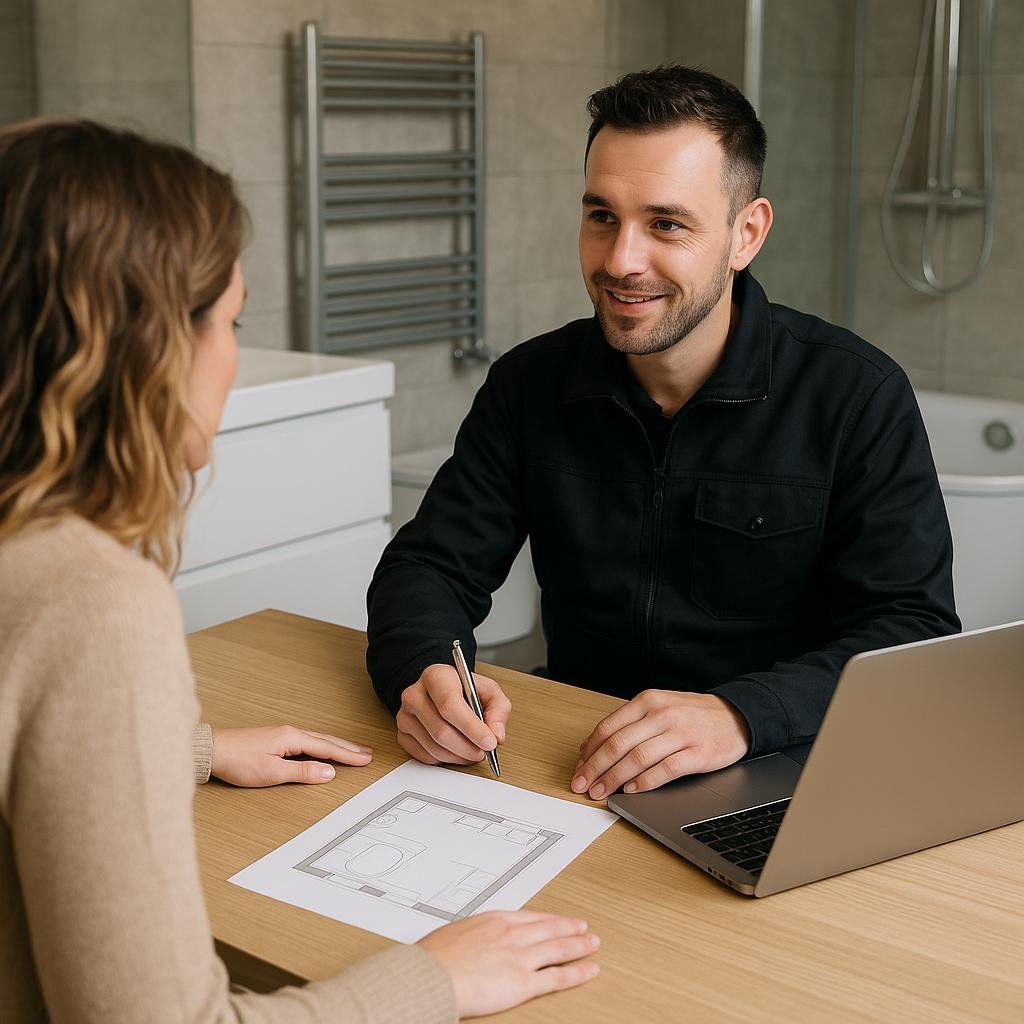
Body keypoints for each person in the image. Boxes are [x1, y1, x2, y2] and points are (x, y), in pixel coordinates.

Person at [0, 119, 600, 1024]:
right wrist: (436, 978)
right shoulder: (91, 600)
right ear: (150, 346)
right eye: (230, 322)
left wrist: (181, 748)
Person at [366, 65, 960, 803]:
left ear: (747, 234)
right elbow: (429, 569)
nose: (620, 262)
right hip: (579, 756)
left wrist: (742, 715)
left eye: (666, 224)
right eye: (602, 216)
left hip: (786, 766)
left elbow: (913, 628)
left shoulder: (856, 396)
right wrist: (423, 670)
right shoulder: (529, 384)